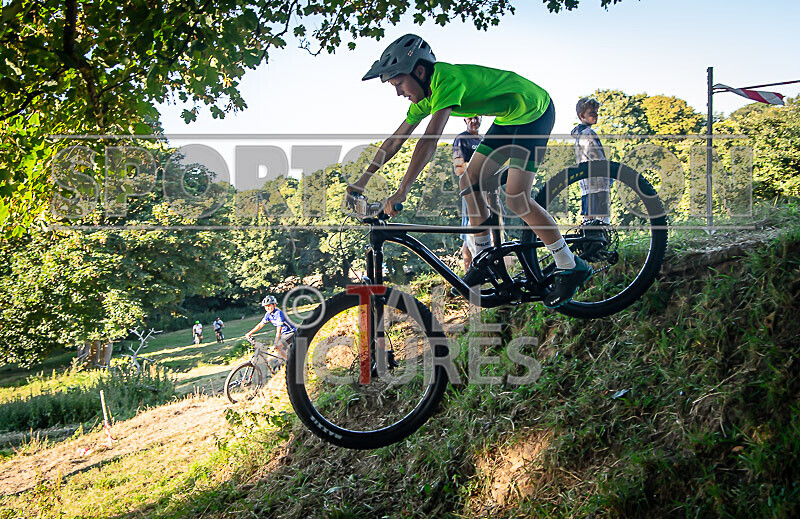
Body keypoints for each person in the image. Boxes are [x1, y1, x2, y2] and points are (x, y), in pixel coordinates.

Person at [350, 34, 592, 307]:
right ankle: (486, 258)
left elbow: (428, 141)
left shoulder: (446, 80)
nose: (397, 92)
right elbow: (396, 139)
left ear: (419, 72)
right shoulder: (424, 98)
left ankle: (570, 264)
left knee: (516, 197)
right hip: (510, 117)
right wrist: (361, 181)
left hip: (535, 110)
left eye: (398, 83)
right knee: (470, 179)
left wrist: (401, 191)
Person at [571, 97, 611, 224]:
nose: (596, 116)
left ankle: (585, 241)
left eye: (596, 112)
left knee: (589, 217)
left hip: (586, 182)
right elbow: (597, 158)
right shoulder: (588, 133)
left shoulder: (579, 135)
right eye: (592, 113)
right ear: (582, 115)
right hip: (598, 181)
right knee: (603, 220)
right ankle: (603, 242)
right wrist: (609, 175)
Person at [453, 116, 483, 272]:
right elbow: (458, 168)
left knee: (487, 229)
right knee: (471, 230)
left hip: (487, 191)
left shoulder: (483, 140)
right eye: (470, 118)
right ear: (465, 120)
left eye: (477, 117)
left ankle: (475, 276)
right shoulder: (461, 139)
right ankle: (469, 276)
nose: (474, 121)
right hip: (471, 190)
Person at [245, 296, 296, 361]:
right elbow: (260, 325)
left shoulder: (278, 313)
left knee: (278, 347)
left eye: (269, 306)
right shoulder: (268, 314)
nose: (267, 308)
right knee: (279, 351)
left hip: (290, 332)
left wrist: (275, 342)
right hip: (284, 334)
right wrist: (249, 333)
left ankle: (291, 363)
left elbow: (278, 330)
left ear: (274, 304)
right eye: (266, 306)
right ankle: (289, 362)